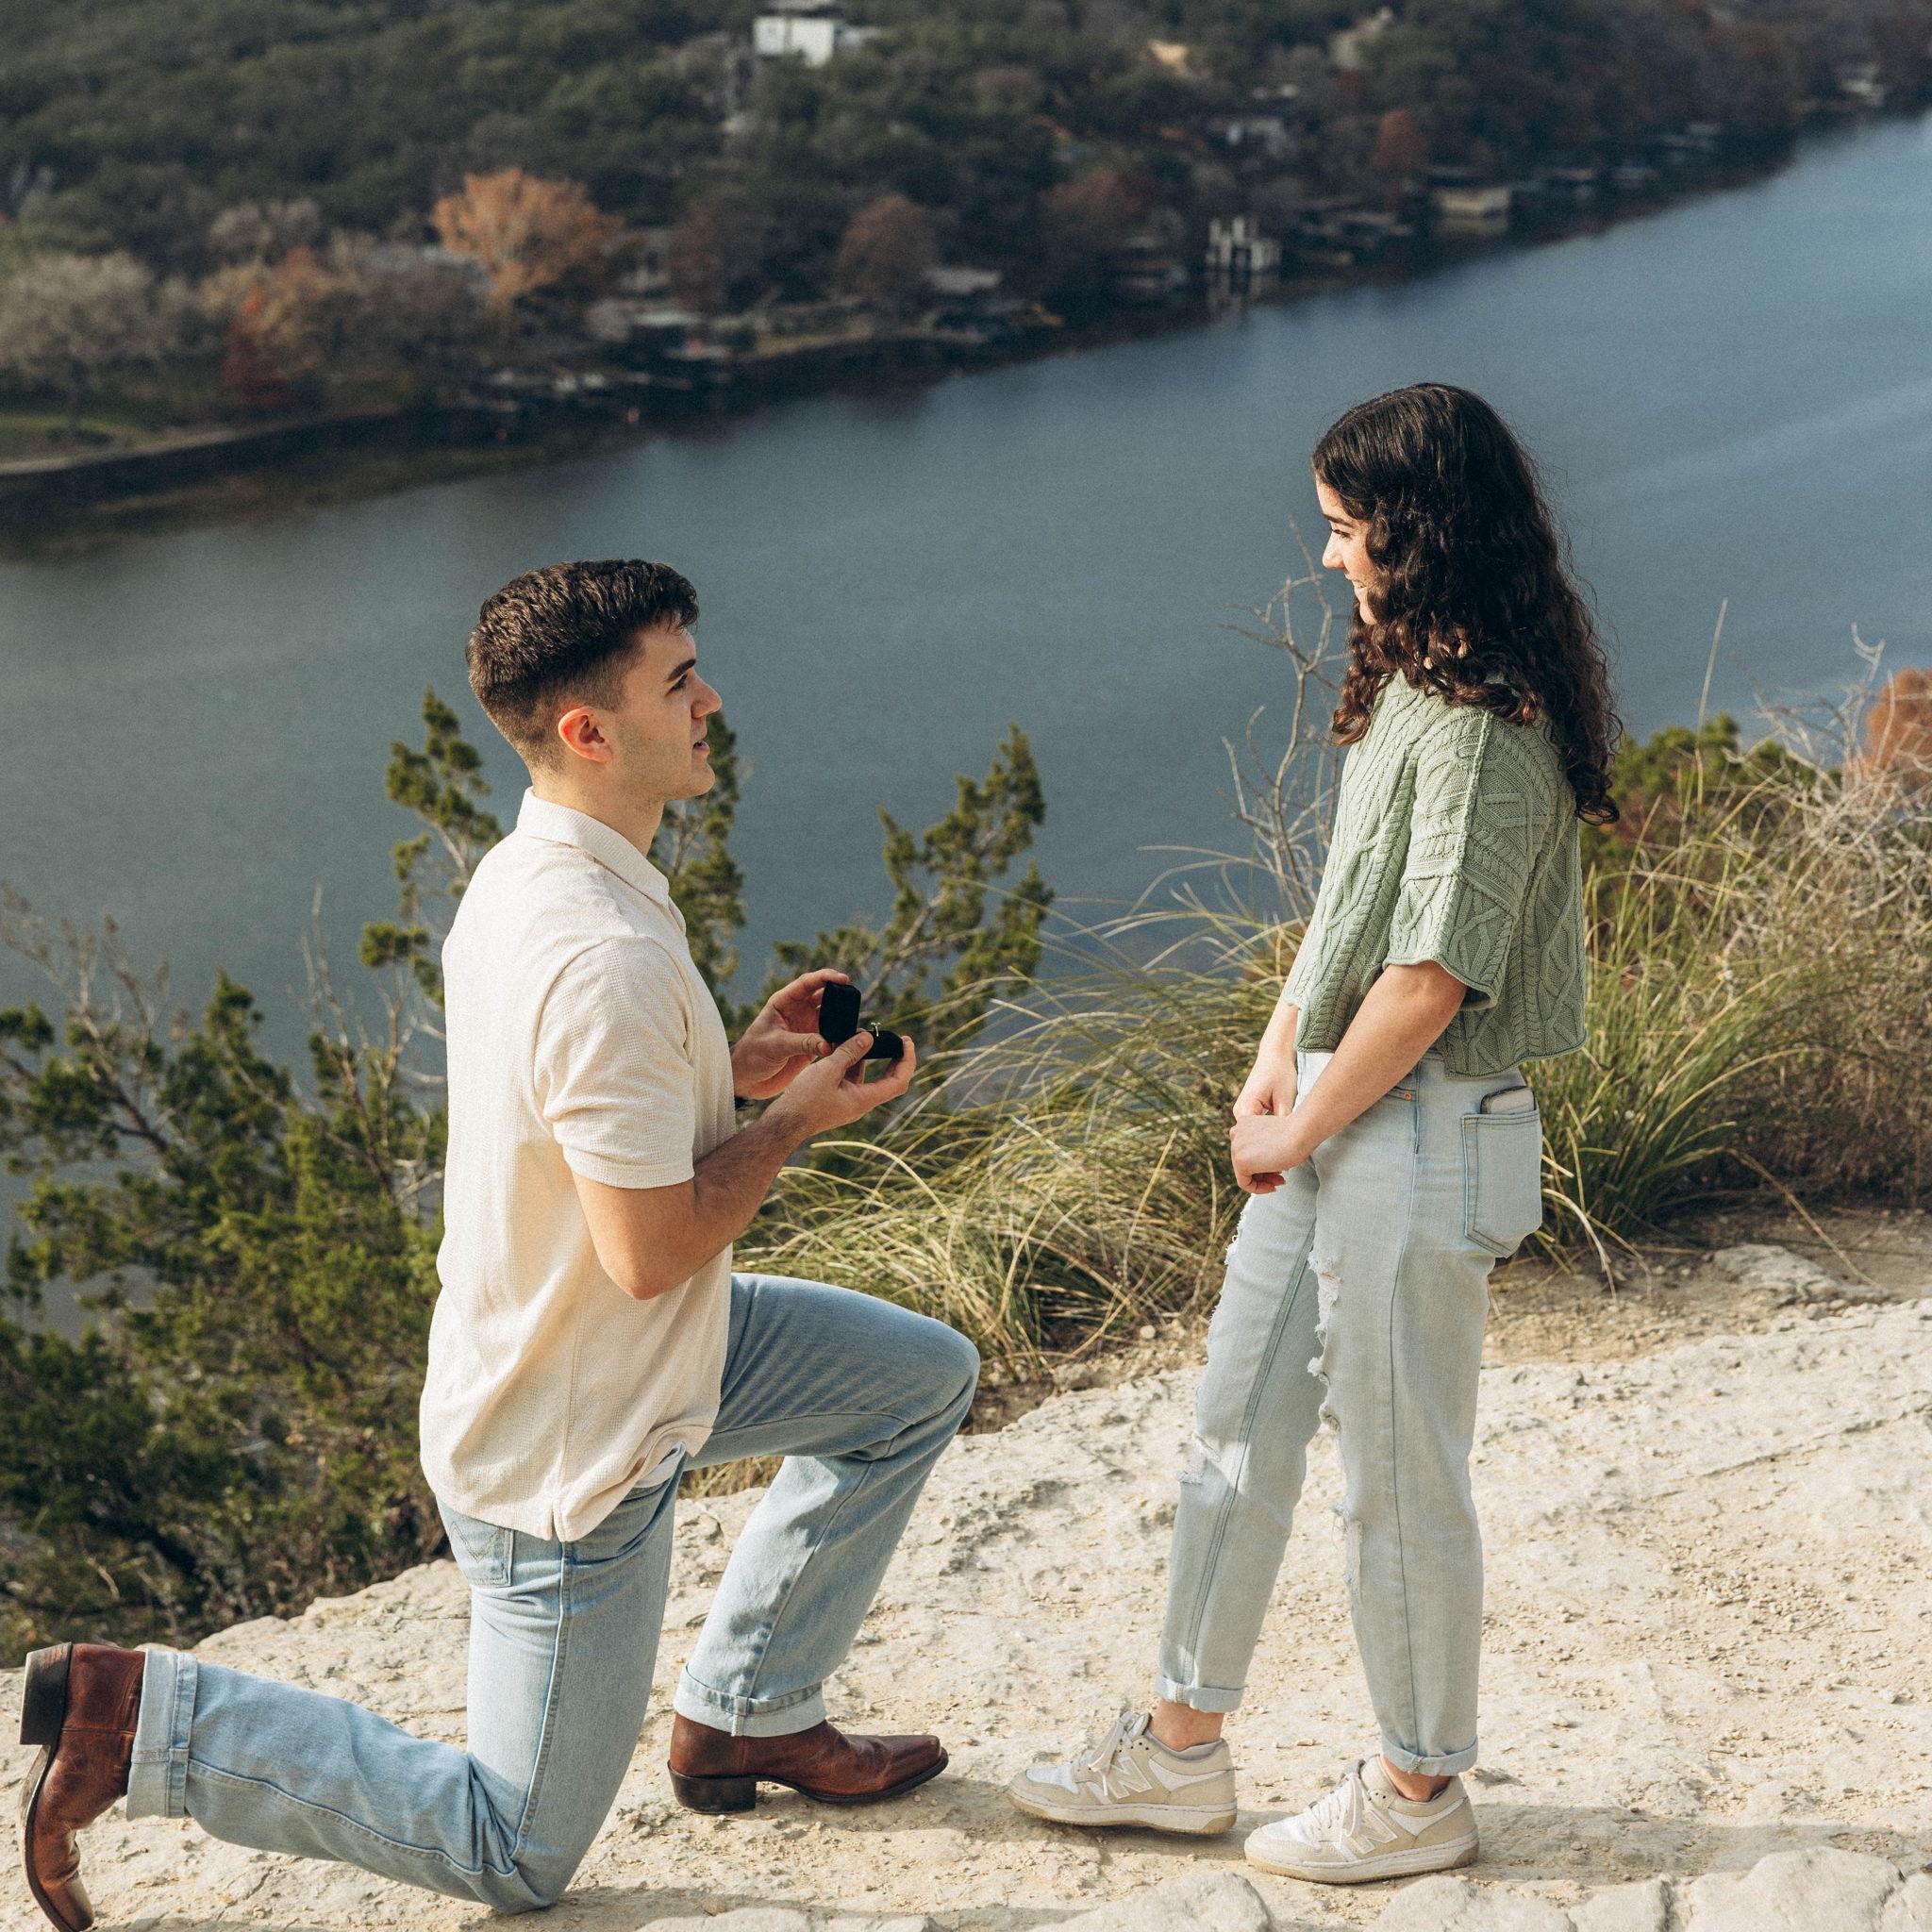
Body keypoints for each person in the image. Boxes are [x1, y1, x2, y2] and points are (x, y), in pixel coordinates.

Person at [19, 559, 981, 1931]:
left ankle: (751, 1710)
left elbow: (584, 1126)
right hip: (570, 1444)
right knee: (512, 1852)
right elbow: (649, 1249)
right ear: (588, 730)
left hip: (646, 1355)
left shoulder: (541, 872)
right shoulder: (601, 952)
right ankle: (140, 1720)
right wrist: (794, 1125)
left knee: (917, 1382)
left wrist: (733, 1076)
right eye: (678, 682)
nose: (710, 700)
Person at [1008, 383, 1620, 1884]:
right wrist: (1273, 1070)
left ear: (1419, 533)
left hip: (1420, 1135)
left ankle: (1419, 1790)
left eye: (1347, 530)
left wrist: (1294, 1128)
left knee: (1398, 1475)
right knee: (1236, 1428)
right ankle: (1177, 1751)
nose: (1328, 556)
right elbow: (1348, 923)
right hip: (1344, 1119)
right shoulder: (1414, 694)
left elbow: (1430, 982)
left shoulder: (1483, 730)